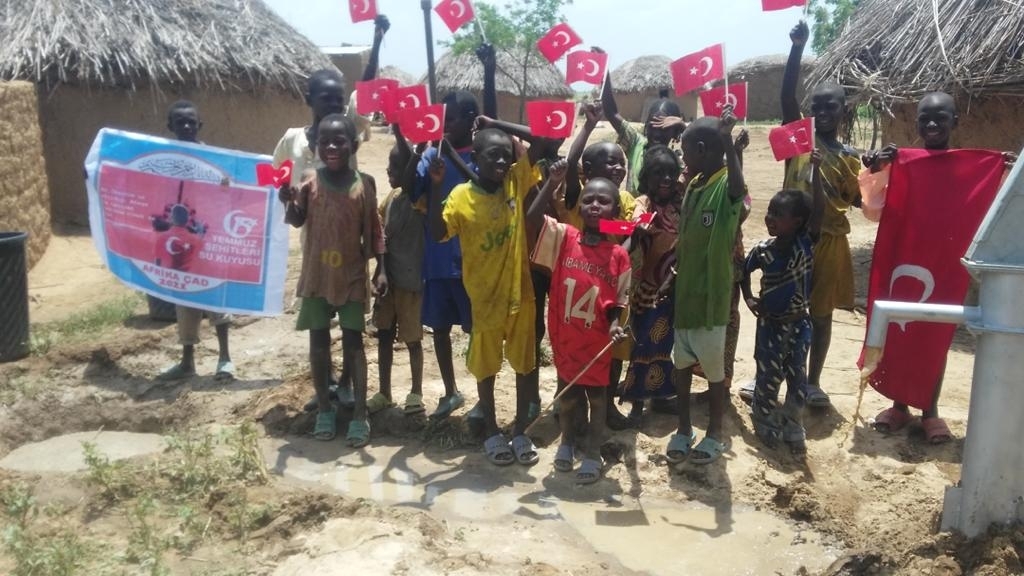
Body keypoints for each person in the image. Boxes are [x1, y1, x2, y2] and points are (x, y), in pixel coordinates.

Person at [860, 92, 1016, 443]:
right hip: (905, 258)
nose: (931, 124)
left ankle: (930, 411)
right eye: (925, 118)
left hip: (944, 263)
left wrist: (1003, 170)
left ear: (954, 122)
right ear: (916, 122)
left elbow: (990, 204)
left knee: (934, 336)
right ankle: (900, 406)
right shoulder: (903, 163)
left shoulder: (969, 167)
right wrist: (877, 168)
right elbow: (872, 207)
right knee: (901, 330)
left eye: (940, 117)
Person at [274, 15, 389, 411]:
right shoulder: (293, 140)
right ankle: (324, 390)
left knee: (352, 324)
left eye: (339, 99)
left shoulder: (346, 129)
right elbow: (278, 177)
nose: (335, 105)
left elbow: (366, 91)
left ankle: (346, 385)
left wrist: (376, 39)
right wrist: (286, 199)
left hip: (349, 239)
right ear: (310, 100)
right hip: (313, 241)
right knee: (320, 324)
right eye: (327, 99)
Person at [427, 127, 556, 467]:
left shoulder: (515, 180)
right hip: (484, 299)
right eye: (492, 155)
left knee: (524, 365)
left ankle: (521, 430)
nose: (501, 161)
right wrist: (435, 184)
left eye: (506, 155)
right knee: (486, 369)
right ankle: (491, 431)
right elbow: (438, 232)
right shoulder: (460, 196)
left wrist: (497, 122)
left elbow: (542, 140)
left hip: (521, 294)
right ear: (475, 158)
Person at [769, 19, 862, 409]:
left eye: (831, 106)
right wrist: (797, 48)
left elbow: (859, 200)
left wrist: (881, 167)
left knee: (821, 315)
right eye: (817, 106)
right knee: (782, 310)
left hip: (829, 243)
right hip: (791, 240)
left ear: (844, 110)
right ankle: (771, 376)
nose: (822, 112)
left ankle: (813, 382)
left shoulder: (851, 157)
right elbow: (786, 96)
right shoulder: (798, 140)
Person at [279, 114, 386, 447]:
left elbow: (375, 230)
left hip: (351, 276)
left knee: (354, 344)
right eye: (324, 141)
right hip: (317, 275)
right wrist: (287, 202)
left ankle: (359, 415)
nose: (331, 147)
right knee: (319, 342)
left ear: (353, 145)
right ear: (315, 146)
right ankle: (325, 408)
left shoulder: (364, 183)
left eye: (339, 141)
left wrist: (381, 269)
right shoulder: (309, 180)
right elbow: (297, 220)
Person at [410, 44, 498, 422]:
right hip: (437, 259)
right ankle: (449, 392)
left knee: (476, 330)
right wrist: (417, 144)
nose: (444, 125)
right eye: (441, 118)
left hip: (471, 262)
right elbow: (410, 188)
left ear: (470, 120)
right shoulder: (431, 156)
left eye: (451, 119)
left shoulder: (481, 156)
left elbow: (484, 184)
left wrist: (489, 72)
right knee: (440, 329)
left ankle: (483, 398)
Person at [528, 172, 631, 484]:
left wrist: (614, 326)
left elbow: (617, 303)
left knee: (598, 399)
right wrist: (551, 183)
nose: (595, 205)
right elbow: (531, 219)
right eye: (588, 200)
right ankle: (566, 442)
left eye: (603, 201)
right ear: (580, 207)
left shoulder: (618, 256)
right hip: (566, 338)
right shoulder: (564, 238)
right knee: (569, 395)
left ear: (615, 211)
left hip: (596, 341)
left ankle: (593, 453)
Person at [668, 108, 745, 465]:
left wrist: (729, 142)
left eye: (685, 151)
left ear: (700, 150)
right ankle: (683, 428)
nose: (682, 158)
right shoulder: (694, 185)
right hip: (686, 298)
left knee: (715, 375)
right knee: (681, 366)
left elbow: (738, 189)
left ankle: (715, 433)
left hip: (711, 300)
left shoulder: (725, 186)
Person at [558, 102, 637, 429]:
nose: (618, 168)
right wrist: (588, 126)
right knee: (576, 349)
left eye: (622, 163)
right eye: (611, 162)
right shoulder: (580, 198)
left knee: (613, 349)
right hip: (580, 287)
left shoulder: (628, 201)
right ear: (589, 171)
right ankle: (572, 406)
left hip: (612, 285)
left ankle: (607, 409)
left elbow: (633, 235)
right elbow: (571, 163)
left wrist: (624, 245)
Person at [741, 149, 825, 456]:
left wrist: (817, 173)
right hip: (770, 325)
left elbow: (819, 212)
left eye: (778, 214)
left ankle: (793, 424)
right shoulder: (763, 249)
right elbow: (744, 271)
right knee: (767, 374)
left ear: (798, 222)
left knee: (797, 377)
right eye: (769, 212)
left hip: (799, 324)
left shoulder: (805, 244)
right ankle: (765, 419)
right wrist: (749, 298)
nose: (770, 218)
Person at [156, 101, 234, 382]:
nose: (186, 126)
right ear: (170, 126)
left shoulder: (212, 160)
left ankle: (225, 359)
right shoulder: (164, 160)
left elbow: (228, 189)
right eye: (180, 122)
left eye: (191, 121)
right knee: (184, 300)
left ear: (200, 125)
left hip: (208, 240)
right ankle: (187, 361)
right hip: (179, 242)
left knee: (216, 298)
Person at [618, 145, 684, 418]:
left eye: (671, 173)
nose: (666, 179)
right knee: (643, 343)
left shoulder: (680, 205)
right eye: (659, 173)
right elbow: (631, 225)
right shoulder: (644, 204)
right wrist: (638, 226)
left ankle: (660, 395)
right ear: (647, 177)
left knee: (664, 345)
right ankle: (636, 400)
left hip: (674, 287)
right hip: (648, 291)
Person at [369, 142, 426, 416]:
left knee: (413, 339)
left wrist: (410, 144)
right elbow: (380, 229)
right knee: (384, 335)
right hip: (388, 281)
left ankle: (416, 392)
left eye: (395, 167)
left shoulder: (419, 200)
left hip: (411, 282)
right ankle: (385, 392)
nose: (388, 170)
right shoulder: (391, 197)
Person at [598, 53, 686, 194]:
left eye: (663, 128)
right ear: (645, 126)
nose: (657, 133)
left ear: (675, 132)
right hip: (633, 208)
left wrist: (683, 126)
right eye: (652, 126)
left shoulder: (679, 160)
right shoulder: (636, 144)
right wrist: (604, 72)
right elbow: (611, 113)